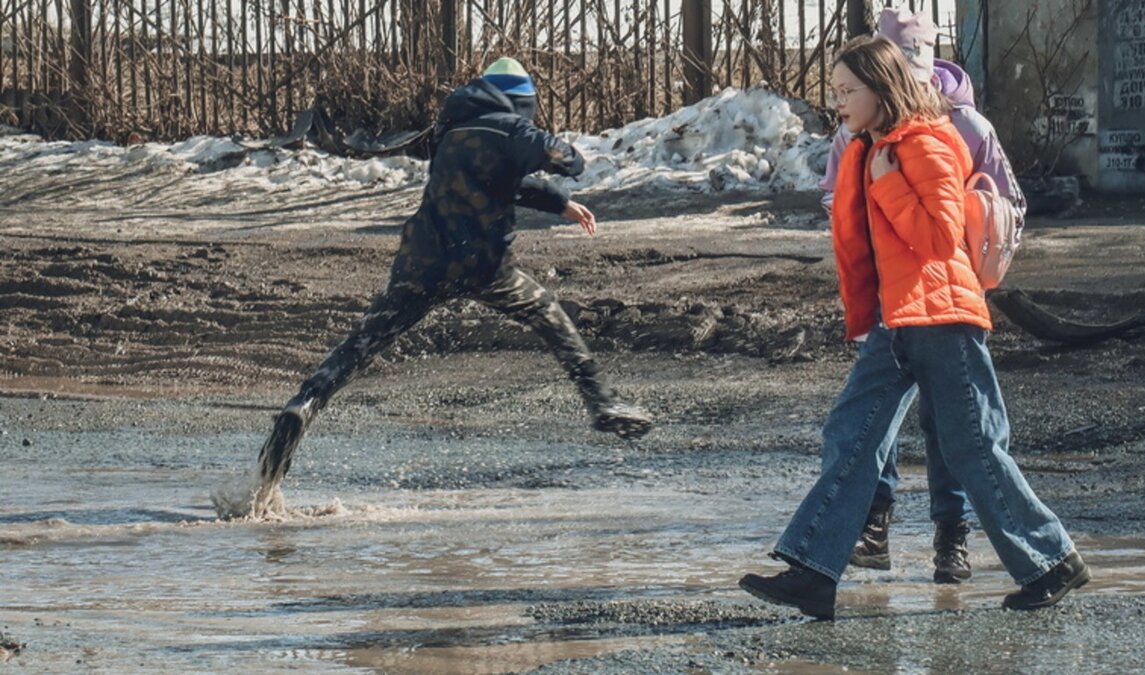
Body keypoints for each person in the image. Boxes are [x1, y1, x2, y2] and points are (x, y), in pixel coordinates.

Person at [738, 36, 1088, 620]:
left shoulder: (926, 142)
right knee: (850, 435)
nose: (838, 101)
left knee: (974, 449)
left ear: (882, 88)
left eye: (848, 90)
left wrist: (889, 181)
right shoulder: (870, 148)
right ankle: (814, 571)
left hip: (943, 318)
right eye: (835, 90)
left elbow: (937, 240)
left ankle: (1051, 561)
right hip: (895, 322)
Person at [213, 57, 652, 519]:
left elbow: (500, 180)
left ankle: (302, 407)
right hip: (483, 266)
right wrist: (551, 152)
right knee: (547, 314)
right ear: (524, 102)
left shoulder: (452, 130)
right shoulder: (511, 129)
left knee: (359, 348)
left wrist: (558, 204)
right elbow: (571, 160)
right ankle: (602, 403)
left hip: (420, 262)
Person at [819, 8, 1027, 584]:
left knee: (953, 433)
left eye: (914, 58)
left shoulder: (956, 129)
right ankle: (864, 533)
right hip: (891, 306)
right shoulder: (856, 133)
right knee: (865, 427)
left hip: (940, 304)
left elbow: (986, 216)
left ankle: (956, 540)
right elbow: (840, 207)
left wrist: (978, 269)